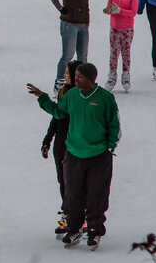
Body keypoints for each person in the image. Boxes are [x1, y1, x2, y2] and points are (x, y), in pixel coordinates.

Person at [27, 62, 120, 251]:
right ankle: (74, 228)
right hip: (74, 154)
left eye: (80, 76)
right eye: (75, 75)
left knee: (96, 195)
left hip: (98, 155)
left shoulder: (105, 98)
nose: (75, 79)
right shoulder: (71, 95)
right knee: (73, 194)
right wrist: (42, 98)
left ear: (91, 79)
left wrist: (109, 146)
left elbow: (114, 125)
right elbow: (58, 113)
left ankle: (94, 230)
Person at [41, 60, 80, 238]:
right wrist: (48, 140)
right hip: (60, 145)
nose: (64, 76)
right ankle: (69, 215)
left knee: (73, 183)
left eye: (67, 73)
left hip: (73, 145)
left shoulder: (79, 96)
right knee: (63, 182)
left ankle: (77, 217)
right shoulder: (63, 93)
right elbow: (56, 118)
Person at [49, 0, 93, 94]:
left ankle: (82, 83)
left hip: (83, 24)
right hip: (70, 24)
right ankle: (60, 82)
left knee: (83, 57)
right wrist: (61, 8)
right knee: (67, 56)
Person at [102, 0, 137, 92]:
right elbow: (109, 10)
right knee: (113, 53)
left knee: (125, 52)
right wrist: (109, 10)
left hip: (127, 30)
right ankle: (112, 76)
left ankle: (126, 75)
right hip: (114, 29)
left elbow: (133, 12)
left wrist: (120, 10)